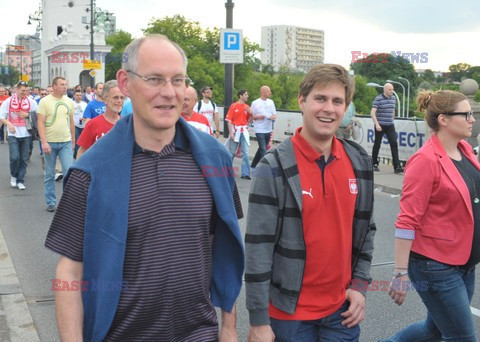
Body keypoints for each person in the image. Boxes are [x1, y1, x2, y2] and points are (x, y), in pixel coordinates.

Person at [45, 34, 244, 341]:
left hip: (198, 334)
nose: (168, 93)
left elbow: (224, 248)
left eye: (177, 80)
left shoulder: (215, 160)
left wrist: (228, 327)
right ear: (125, 83)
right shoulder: (90, 171)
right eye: (154, 79)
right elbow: (70, 272)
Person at [245, 64, 376, 342]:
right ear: (302, 101)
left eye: (337, 101)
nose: (328, 108)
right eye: (320, 98)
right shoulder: (274, 164)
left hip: (341, 312)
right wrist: (258, 320)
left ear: (345, 108)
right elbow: (258, 245)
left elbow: (366, 230)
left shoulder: (359, 160)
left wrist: (360, 286)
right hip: (289, 315)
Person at [382, 90, 478, 342]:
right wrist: (400, 273)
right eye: (466, 114)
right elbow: (407, 220)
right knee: (463, 337)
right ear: (444, 119)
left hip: (464, 263)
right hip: (435, 265)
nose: (472, 119)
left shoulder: (465, 150)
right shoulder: (424, 161)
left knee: (432, 331)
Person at [37, 77, 75, 212]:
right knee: (49, 174)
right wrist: (44, 142)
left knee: (69, 173)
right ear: (54, 86)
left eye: (66, 84)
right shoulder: (45, 101)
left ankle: (67, 203)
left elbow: (71, 122)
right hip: (50, 143)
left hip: (65, 142)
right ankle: (51, 202)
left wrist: (73, 141)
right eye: (62, 85)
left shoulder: (69, 102)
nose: (65, 87)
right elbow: (40, 122)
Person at [0, 81, 38, 190]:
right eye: (22, 91)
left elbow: (38, 116)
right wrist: (8, 124)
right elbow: (2, 116)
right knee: (14, 157)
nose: (25, 93)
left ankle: (20, 180)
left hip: (27, 134)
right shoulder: (8, 101)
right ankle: (13, 175)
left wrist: (27, 115)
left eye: (26, 91)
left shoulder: (31, 101)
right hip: (13, 134)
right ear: (17, 90)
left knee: (24, 158)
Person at [76, 80, 124, 159]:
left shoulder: (126, 125)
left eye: (121, 97)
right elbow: (82, 151)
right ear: (105, 100)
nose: (119, 101)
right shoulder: (92, 124)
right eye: (115, 97)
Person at [370, 83, 403, 173]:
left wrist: (392, 118)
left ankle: (397, 166)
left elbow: (392, 109)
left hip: (390, 125)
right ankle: (374, 163)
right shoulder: (378, 99)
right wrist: (377, 124)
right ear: (385, 90)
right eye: (390, 89)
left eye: (392, 89)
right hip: (380, 124)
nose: (392, 91)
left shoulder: (393, 98)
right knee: (377, 144)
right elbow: (372, 112)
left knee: (394, 144)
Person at [226, 89, 253, 179]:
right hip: (235, 130)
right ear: (240, 96)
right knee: (232, 152)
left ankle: (245, 173)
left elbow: (249, 121)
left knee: (245, 152)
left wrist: (251, 114)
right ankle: (227, 171)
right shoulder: (233, 106)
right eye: (245, 94)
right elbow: (229, 120)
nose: (247, 96)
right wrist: (231, 133)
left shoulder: (247, 107)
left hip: (244, 131)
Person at [250, 85, 277, 169]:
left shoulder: (271, 102)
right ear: (263, 92)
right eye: (268, 91)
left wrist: (272, 117)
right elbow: (251, 117)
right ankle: (264, 167)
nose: (270, 92)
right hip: (259, 129)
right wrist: (258, 117)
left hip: (268, 129)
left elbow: (274, 114)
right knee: (263, 149)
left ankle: (254, 164)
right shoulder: (255, 103)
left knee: (262, 148)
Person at [72, 90, 87, 159]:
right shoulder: (71, 104)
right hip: (75, 125)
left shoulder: (85, 104)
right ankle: (76, 157)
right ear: (74, 96)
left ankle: (79, 155)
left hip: (83, 125)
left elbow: (87, 115)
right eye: (77, 95)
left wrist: (84, 119)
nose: (79, 97)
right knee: (77, 141)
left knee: (83, 142)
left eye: (80, 95)